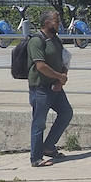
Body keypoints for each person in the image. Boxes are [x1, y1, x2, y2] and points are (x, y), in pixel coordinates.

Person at [28, 10, 73, 168]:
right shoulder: (36, 41)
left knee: (66, 113)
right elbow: (40, 66)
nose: (59, 23)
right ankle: (36, 158)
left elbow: (64, 59)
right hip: (40, 88)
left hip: (56, 87)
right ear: (47, 23)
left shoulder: (55, 39)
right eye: (56, 21)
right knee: (39, 122)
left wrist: (61, 79)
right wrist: (59, 76)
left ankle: (49, 146)